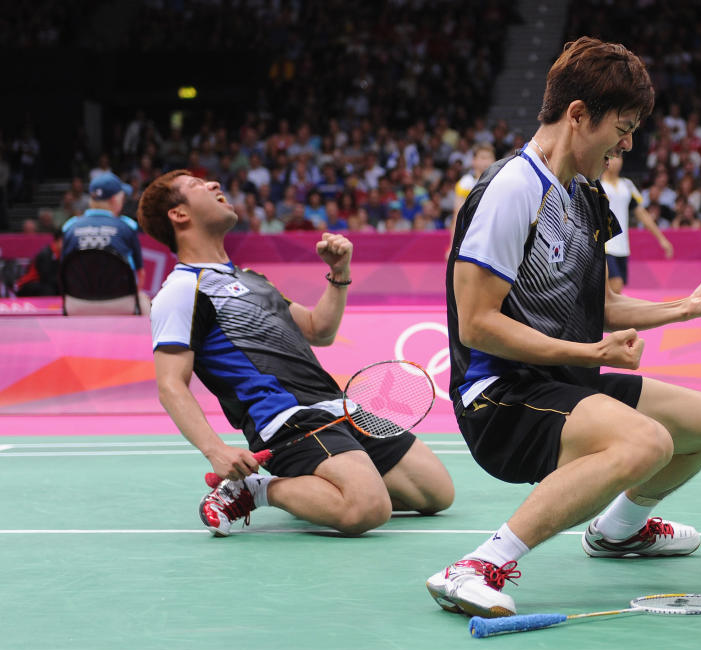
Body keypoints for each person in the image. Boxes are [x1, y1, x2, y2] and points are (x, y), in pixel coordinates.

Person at [427, 37, 701, 619]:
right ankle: (478, 565)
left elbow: (597, 302)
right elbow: (475, 324)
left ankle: (619, 530)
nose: (627, 143)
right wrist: (587, 349)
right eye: (621, 127)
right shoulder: (511, 189)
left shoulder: (584, 193)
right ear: (577, 116)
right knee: (647, 441)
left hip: (563, 381)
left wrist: (685, 309)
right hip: (501, 398)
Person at [138, 170, 454, 537]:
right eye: (197, 186)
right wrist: (215, 450)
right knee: (367, 508)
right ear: (179, 215)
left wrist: (339, 274)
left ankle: (319, 492)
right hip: (287, 418)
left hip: (339, 407)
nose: (214, 185)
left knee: (436, 493)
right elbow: (171, 385)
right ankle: (255, 491)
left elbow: (319, 330)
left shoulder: (253, 279)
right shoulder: (181, 291)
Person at [61, 173, 150, 314]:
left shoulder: (70, 227)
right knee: (145, 302)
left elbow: (63, 273)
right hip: (121, 304)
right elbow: (141, 274)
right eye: (122, 196)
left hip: (76, 305)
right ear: (114, 200)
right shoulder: (127, 226)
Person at [600, 154, 673, 294]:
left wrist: (661, 239)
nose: (617, 161)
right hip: (604, 245)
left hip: (622, 246)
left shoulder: (627, 185)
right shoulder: (597, 184)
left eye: (619, 157)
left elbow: (642, 214)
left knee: (615, 293)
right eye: (612, 157)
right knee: (615, 285)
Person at [446, 143, 496, 256]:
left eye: (490, 158)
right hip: (470, 240)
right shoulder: (466, 184)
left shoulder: (500, 183)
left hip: (493, 240)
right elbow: (457, 217)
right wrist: (452, 246)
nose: (486, 162)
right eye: (483, 158)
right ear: (474, 161)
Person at [14, 227, 62, 296]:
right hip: (27, 284)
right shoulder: (45, 254)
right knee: (48, 289)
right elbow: (46, 278)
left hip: (42, 283)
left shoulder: (61, 254)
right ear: (59, 240)